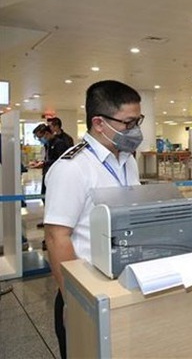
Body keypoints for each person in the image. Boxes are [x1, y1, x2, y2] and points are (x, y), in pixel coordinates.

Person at [44, 80, 144, 359]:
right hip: (87, 294)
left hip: (124, 285)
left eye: (138, 120)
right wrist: (75, 301)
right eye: (129, 122)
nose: (135, 130)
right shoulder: (72, 168)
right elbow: (56, 238)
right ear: (99, 123)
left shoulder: (127, 160)